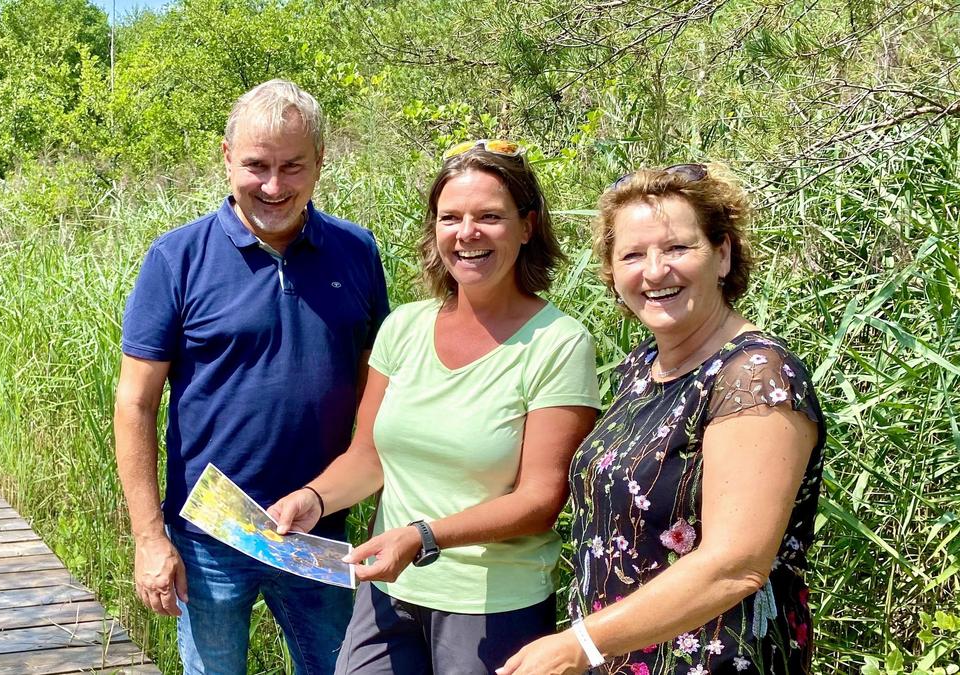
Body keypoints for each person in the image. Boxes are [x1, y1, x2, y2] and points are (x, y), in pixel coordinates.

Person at [268, 140, 602, 673]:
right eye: (451, 218)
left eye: (489, 217)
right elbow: (368, 458)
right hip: (387, 589)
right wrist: (314, 499)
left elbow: (541, 498)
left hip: (491, 606)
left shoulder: (558, 343)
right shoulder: (404, 326)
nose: (467, 234)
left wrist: (423, 537)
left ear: (527, 226)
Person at [498, 164, 825, 674]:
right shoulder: (642, 366)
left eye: (676, 248)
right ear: (611, 272)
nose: (653, 271)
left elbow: (734, 567)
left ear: (722, 254)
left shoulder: (756, 376)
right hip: (623, 653)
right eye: (632, 254)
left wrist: (578, 645)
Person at [114, 79, 390, 675]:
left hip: (321, 531)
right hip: (211, 535)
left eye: (292, 166)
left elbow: (380, 388)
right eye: (256, 165)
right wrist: (148, 537)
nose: (272, 185)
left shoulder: (357, 252)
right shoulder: (176, 258)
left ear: (320, 162)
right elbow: (135, 404)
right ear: (226, 158)